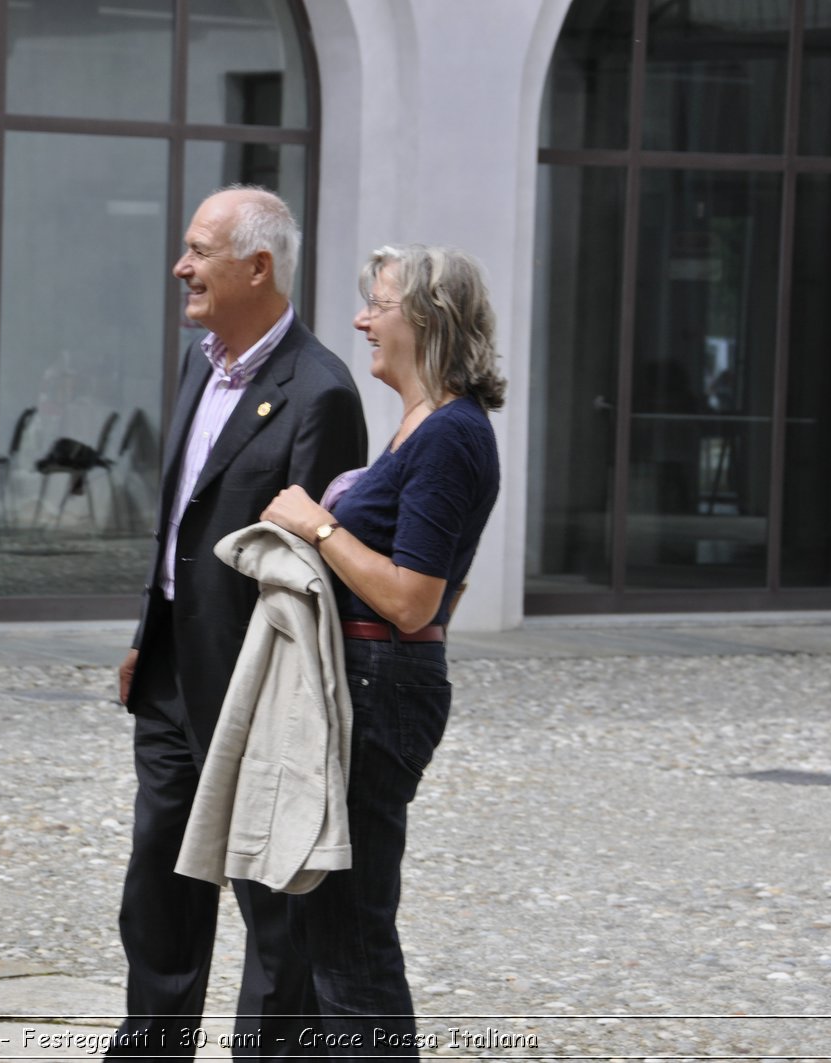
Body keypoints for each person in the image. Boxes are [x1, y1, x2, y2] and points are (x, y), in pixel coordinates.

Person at [111, 186, 366, 1058]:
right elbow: (180, 517)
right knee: (158, 882)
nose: (180, 266)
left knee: (271, 894)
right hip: (174, 669)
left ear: (257, 266)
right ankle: (150, 1047)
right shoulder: (200, 361)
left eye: (198, 251)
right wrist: (150, 635)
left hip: (256, 683)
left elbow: (310, 574)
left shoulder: (321, 391)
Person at [261, 244, 506, 1057]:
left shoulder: (449, 434)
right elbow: (446, 591)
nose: (363, 318)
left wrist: (318, 524)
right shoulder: (424, 427)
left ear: (429, 319)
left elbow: (414, 600)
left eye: (381, 303)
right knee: (328, 920)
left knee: (350, 930)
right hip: (371, 678)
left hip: (378, 682)